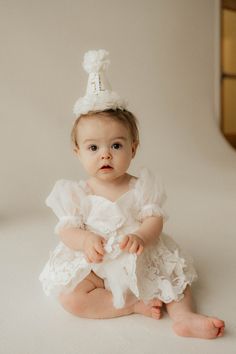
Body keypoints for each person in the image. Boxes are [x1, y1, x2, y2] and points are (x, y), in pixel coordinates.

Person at [39, 50, 225, 339]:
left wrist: (141, 237)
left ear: (133, 148)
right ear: (77, 152)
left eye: (115, 145)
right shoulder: (77, 194)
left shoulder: (141, 187)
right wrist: (86, 239)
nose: (105, 155)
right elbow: (67, 230)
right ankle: (131, 305)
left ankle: (185, 316)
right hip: (96, 265)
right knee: (71, 298)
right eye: (93, 148)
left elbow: (154, 219)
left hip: (139, 258)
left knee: (175, 280)